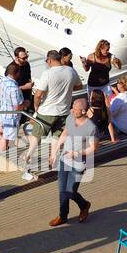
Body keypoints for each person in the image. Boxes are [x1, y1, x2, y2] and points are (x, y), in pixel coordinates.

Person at [25, 50, 81, 179]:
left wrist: (36, 107)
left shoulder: (48, 74)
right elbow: (78, 86)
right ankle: (53, 160)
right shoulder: (71, 71)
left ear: (50, 60)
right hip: (64, 111)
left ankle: (29, 156)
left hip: (47, 111)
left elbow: (38, 94)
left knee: (36, 135)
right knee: (57, 136)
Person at [49, 96, 96, 226]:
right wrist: (55, 152)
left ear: (83, 111)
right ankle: (63, 216)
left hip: (78, 164)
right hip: (65, 160)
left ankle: (84, 205)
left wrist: (78, 153)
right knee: (62, 190)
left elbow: (93, 147)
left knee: (70, 191)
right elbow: (65, 133)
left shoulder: (90, 127)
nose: (72, 110)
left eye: (75, 109)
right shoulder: (70, 118)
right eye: (72, 107)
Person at [0, 62, 28, 159]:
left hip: (3, 112)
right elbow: (18, 107)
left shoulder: (2, 80)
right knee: (6, 139)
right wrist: (26, 103)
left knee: (0, 130)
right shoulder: (15, 89)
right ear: (16, 73)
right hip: (12, 117)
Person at [106, 76, 127, 141]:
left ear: (121, 85)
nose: (116, 84)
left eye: (117, 82)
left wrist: (106, 101)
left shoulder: (119, 99)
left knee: (105, 118)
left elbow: (110, 114)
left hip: (125, 129)